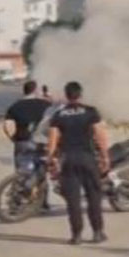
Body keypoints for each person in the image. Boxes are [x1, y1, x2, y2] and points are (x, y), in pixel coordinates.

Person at [47, 81, 109, 245]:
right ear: (80, 95)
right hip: (87, 158)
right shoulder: (91, 112)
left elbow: (52, 141)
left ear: (66, 96)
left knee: (73, 200)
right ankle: (97, 233)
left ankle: (77, 235)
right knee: (94, 197)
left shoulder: (58, 115)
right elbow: (100, 135)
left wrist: (51, 161)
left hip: (68, 160)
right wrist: (105, 157)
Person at [4, 80, 53, 208]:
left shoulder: (15, 106)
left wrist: (14, 139)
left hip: (22, 142)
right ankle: (42, 203)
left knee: (21, 173)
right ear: (36, 91)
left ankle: (16, 202)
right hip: (41, 143)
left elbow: (7, 126)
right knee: (41, 173)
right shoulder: (45, 105)